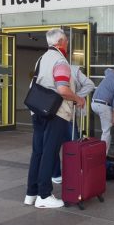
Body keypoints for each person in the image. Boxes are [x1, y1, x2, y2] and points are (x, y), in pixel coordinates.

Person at [24, 28, 85, 209]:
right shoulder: (60, 61)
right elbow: (63, 90)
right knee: (50, 152)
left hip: (38, 110)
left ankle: (31, 193)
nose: (67, 43)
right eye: (66, 40)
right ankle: (44, 195)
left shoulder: (42, 58)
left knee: (38, 152)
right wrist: (78, 99)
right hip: (55, 113)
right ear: (60, 42)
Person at [52, 65, 95, 183]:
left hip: (54, 111)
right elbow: (90, 84)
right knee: (72, 143)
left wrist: (76, 97)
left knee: (53, 144)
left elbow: (90, 85)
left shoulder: (51, 67)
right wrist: (76, 97)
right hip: (67, 112)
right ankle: (72, 172)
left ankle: (57, 174)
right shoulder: (72, 69)